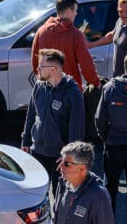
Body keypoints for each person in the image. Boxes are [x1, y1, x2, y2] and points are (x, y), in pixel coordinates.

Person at [21, 48, 85, 193]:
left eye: (41, 66)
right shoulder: (39, 86)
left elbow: (76, 129)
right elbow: (31, 114)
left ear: (53, 69)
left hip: (59, 157)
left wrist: (69, 157)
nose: (37, 69)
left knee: (59, 195)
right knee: (38, 194)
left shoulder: (73, 93)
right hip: (37, 151)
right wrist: (26, 141)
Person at [95, 50, 127, 224]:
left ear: (125, 67)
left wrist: (106, 138)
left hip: (114, 146)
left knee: (109, 191)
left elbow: (99, 119)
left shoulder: (110, 88)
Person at [31, 0, 100, 91]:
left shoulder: (41, 31)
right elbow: (86, 65)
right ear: (68, 12)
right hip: (70, 90)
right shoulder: (76, 35)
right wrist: (96, 82)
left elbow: (35, 64)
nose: (76, 13)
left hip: (46, 89)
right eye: (75, 10)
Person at [88, 0, 127, 78]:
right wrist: (92, 44)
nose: (124, 14)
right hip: (118, 77)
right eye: (121, 11)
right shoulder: (120, 20)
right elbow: (112, 35)